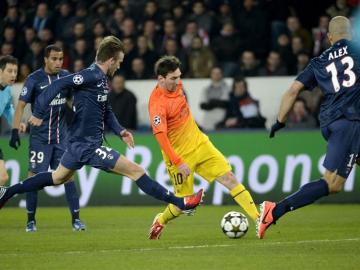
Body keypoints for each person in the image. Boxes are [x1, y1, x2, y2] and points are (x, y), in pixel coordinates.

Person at [0, 36, 204, 219]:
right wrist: (38, 112)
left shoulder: (101, 80)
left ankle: (7, 192)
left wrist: (120, 131)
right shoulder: (89, 76)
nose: (119, 66)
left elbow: (106, 110)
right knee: (136, 170)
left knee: (56, 177)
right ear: (111, 60)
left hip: (77, 144)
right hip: (87, 145)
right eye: (120, 62)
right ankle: (181, 203)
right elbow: (58, 84)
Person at [256, 16, 360, 239]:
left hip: (330, 120)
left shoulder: (319, 61)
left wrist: (280, 121)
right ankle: (275, 210)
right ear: (350, 34)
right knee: (333, 183)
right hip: (349, 121)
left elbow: (292, 91)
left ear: (330, 37)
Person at [147, 56, 259, 240]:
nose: (178, 81)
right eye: (173, 78)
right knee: (183, 204)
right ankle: (160, 221)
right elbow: (160, 136)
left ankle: (258, 219)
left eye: (179, 76)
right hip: (180, 156)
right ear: (161, 79)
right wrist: (178, 161)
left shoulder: (178, 85)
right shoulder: (157, 105)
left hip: (200, 143)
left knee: (229, 177)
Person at [10, 45, 86, 232]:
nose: (58, 62)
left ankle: (76, 220)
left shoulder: (66, 77)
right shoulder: (34, 79)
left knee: (68, 176)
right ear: (45, 59)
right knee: (33, 177)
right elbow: (20, 106)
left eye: (60, 59)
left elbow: (70, 99)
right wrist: (14, 131)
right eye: (54, 59)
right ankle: (30, 221)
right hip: (40, 139)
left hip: (62, 137)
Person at [0, 55, 26, 185]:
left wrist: (16, 123)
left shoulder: (8, 90)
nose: (13, 75)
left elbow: (8, 110)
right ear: (0, 71)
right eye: (9, 71)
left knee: (2, 178)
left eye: (15, 71)